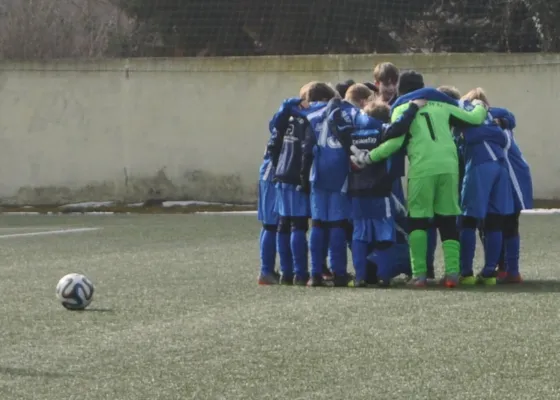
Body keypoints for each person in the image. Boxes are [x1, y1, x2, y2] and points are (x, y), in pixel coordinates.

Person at [351, 70, 488, 287]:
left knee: (418, 222)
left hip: (422, 169)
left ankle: (420, 275)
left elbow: (395, 143)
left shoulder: (401, 108)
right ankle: (452, 274)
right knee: (447, 220)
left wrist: (368, 158)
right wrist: (480, 105)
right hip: (448, 167)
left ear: (400, 89)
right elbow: (473, 118)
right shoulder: (442, 105)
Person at [338, 99, 423, 286]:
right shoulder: (383, 131)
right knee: (384, 235)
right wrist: (412, 108)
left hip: (357, 191)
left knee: (359, 234)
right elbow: (399, 128)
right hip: (380, 191)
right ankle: (384, 277)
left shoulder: (352, 134)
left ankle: (360, 277)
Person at [455, 88, 513, 285]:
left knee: (468, 220)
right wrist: (495, 131)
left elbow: (466, 137)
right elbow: (504, 133)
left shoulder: (466, 116)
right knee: (494, 220)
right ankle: (489, 273)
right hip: (500, 168)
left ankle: (466, 272)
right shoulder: (493, 118)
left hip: (480, 166)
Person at [268, 87, 324, 285]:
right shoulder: (310, 119)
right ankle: (300, 273)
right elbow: (307, 149)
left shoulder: (286, 115)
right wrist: (304, 177)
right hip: (295, 175)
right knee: (298, 225)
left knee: (284, 223)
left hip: (281, 174)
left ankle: (286, 272)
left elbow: (273, 141)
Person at [299, 83, 352, 287]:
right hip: (339, 172)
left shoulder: (309, 115)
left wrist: (304, 179)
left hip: (318, 173)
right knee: (337, 223)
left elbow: (306, 150)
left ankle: (315, 274)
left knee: (319, 224)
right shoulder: (343, 111)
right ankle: (339, 274)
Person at [490, 106, 533, 283]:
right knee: (500, 224)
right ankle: (505, 269)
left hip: (511, 183)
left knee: (504, 223)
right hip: (505, 181)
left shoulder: (499, 131)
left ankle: (508, 270)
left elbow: (510, 117)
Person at [256, 123, 280, 285]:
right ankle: (266, 271)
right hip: (271, 176)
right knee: (271, 225)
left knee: (271, 225)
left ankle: (267, 270)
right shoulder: (288, 120)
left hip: (271, 176)